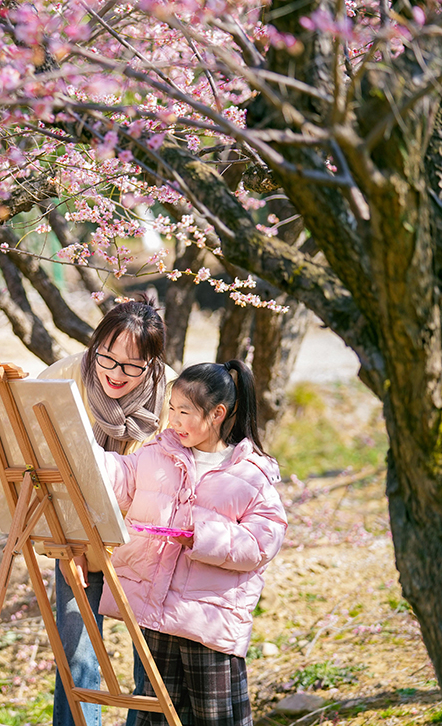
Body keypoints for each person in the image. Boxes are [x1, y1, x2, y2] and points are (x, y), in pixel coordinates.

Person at [99, 361, 287, 726]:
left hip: (210, 621)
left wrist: (203, 536)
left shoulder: (250, 473)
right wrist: (87, 458)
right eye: (171, 409)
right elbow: (123, 478)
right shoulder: (158, 453)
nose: (174, 420)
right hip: (158, 614)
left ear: (217, 414)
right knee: (156, 714)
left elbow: (263, 541)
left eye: (184, 412)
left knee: (213, 718)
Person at [38, 298, 173, 726]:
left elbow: (170, 484)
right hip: (75, 538)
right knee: (77, 658)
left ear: (153, 363)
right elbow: (40, 461)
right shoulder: (64, 378)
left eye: (133, 366)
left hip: (144, 548)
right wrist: (68, 543)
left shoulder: (172, 394)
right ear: (94, 345)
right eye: (108, 359)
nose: (116, 374)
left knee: (149, 666)